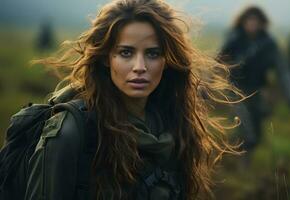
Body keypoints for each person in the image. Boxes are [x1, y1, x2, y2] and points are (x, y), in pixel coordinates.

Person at [24, 0, 241, 200]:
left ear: (167, 61)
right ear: (107, 58)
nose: (140, 67)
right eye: (126, 53)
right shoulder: (72, 132)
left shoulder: (174, 126)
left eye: (153, 54)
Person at [217, 6, 290, 152]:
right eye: (249, 20)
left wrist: (289, 94)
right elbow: (219, 63)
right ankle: (239, 157)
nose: (252, 24)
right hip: (236, 89)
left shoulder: (268, 43)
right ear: (243, 22)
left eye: (255, 21)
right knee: (243, 125)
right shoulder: (234, 40)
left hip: (257, 89)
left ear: (261, 23)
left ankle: (248, 156)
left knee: (257, 123)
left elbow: (282, 69)